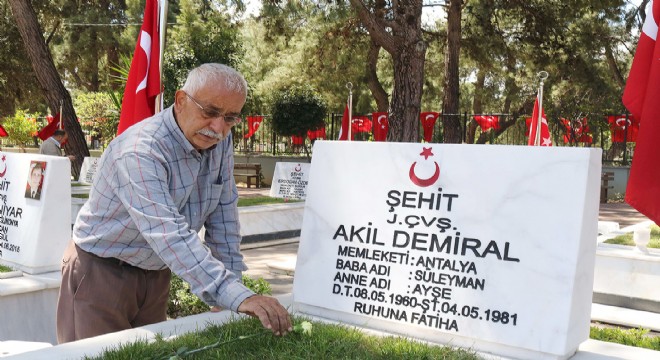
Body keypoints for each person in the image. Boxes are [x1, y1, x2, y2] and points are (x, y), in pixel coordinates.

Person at [56, 63, 292, 343]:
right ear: (181, 101)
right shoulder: (139, 150)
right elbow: (168, 234)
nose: (218, 127)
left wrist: (232, 287)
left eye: (230, 118)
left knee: (150, 353)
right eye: (211, 112)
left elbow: (224, 214)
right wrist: (233, 294)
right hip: (101, 271)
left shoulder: (220, 142)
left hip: (156, 273)